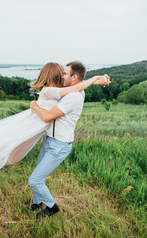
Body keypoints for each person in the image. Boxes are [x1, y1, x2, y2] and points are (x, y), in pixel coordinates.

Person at [0, 62, 110, 184]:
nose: (63, 76)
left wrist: (99, 81)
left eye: (64, 73)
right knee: (7, 144)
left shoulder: (59, 91)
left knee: (11, 149)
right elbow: (77, 86)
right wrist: (96, 78)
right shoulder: (49, 90)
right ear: (54, 76)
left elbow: (76, 87)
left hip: (36, 124)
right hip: (33, 123)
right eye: (61, 73)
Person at [28, 61, 110, 218]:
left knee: (34, 180)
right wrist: (98, 80)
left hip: (59, 145)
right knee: (40, 176)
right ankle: (37, 203)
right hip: (50, 140)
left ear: (75, 77)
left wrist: (34, 105)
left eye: (65, 73)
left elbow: (47, 117)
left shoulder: (73, 97)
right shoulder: (71, 90)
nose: (62, 75)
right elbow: (81, 85)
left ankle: (52, 207)